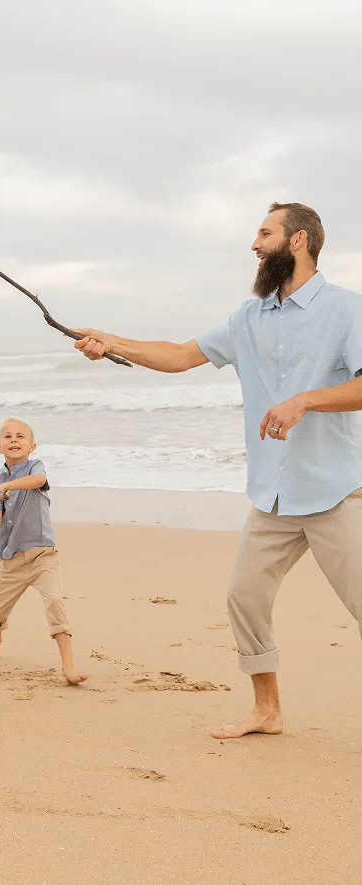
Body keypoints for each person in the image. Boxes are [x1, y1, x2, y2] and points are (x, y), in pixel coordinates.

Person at [73, 201, 362, 739]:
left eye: (264, 232)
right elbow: (182, 355)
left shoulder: (347, 310)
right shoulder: (248, 318)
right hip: (273, 494)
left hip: (335, 489)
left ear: (297, 241)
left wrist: (304, 401)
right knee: (244, 596)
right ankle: (268, 710)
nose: (254, 244)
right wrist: (113, 342)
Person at [0, 418, 88, 685]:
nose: (14, 440)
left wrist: (5, 488)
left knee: (55, 603)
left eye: (20, 436)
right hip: (11, 559)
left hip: (42, 554)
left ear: (32, 445)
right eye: (7, 436)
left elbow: (38, 480)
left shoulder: (34, 468)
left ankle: (68, 665)